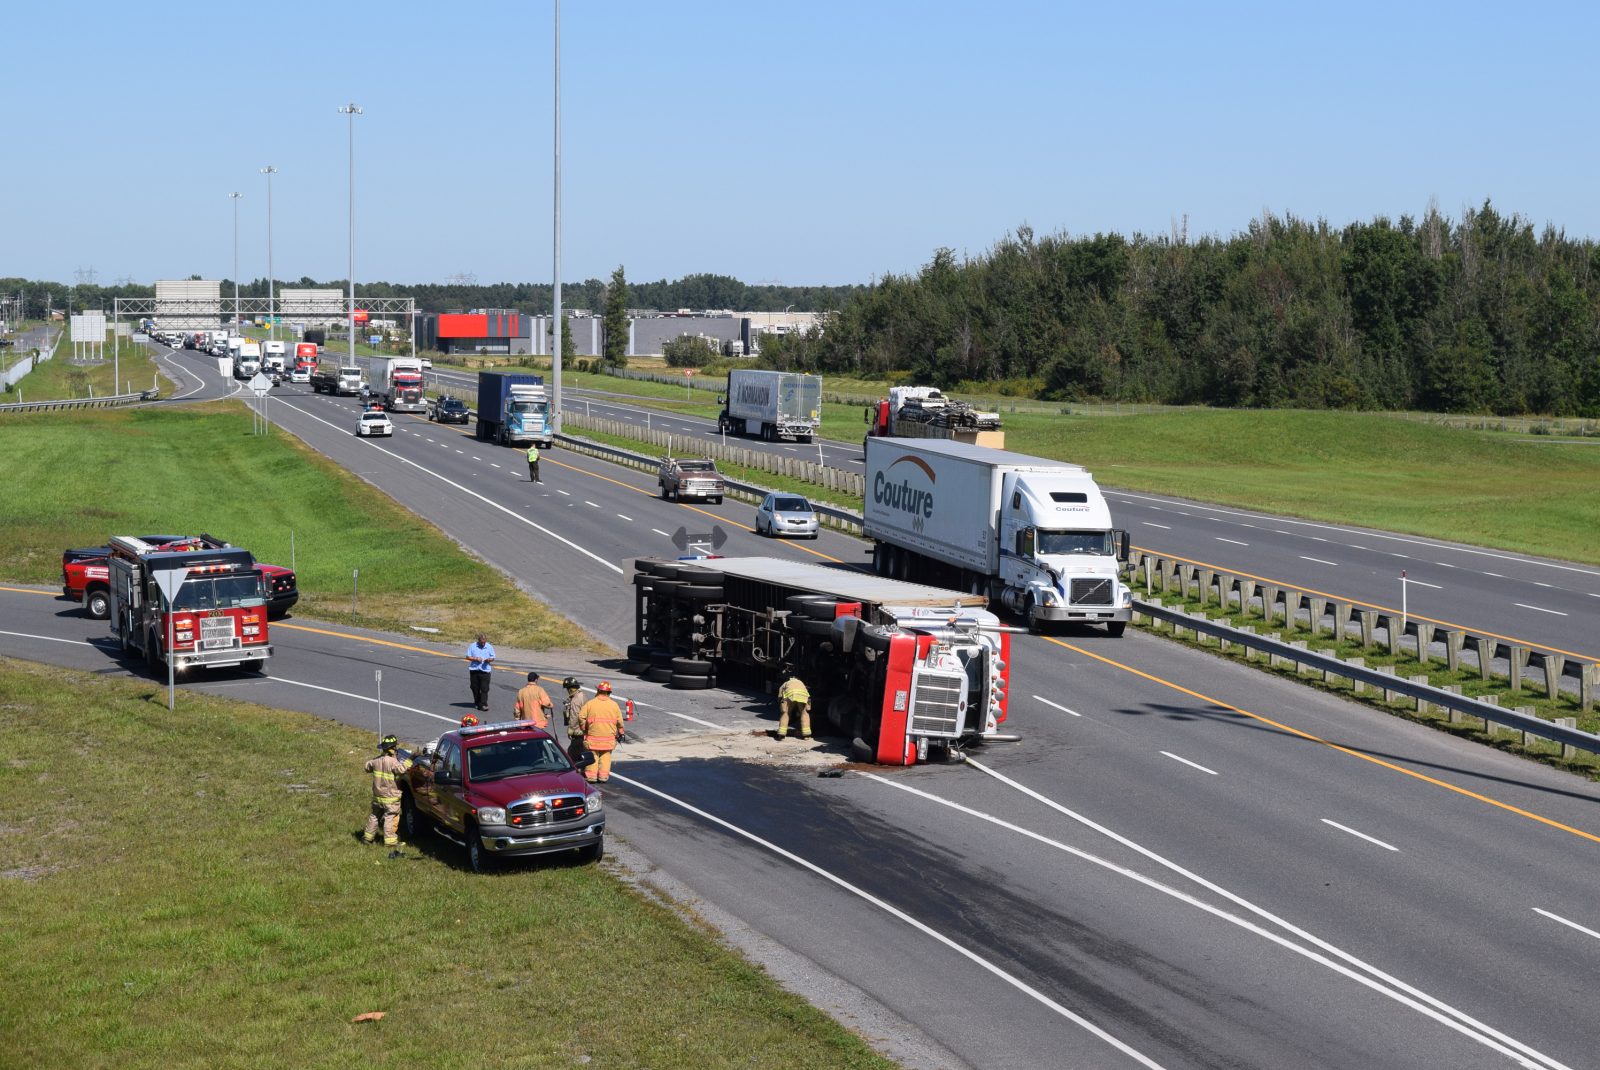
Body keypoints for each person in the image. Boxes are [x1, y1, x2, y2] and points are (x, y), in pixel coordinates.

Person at [362, 734, 414, 846]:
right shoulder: (392, 762)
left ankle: (367, 838)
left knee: (375, 816)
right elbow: (401, 770)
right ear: (392, 749)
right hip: (390, 797)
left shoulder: (376, 761)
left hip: (377, 796)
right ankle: (390, 841)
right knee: (390, 816)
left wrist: (375, 761)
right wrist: (410, 760)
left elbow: (367, 767)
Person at [577, 681, 624, 783]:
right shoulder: (614, 705)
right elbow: (620, 721)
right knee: (606, 758)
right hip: (608, 740)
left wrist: (584, 728)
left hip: (593, 739)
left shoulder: (590, 704)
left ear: (598, 691)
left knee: (593, 757)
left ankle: (591, 777)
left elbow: (581, 717)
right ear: (609, 693)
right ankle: (603, 777)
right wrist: (621, 732)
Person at [466, 633, 495, 711]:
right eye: (481, 642)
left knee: (484, 688)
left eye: (484, 642)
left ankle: (484, 704)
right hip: (474, 670)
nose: (483, 643)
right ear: (478, 641)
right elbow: (467, 657)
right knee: (474, 688)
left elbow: (493, 657)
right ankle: (477, 702)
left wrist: (489, 660)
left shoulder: (489, 647)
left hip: (485, 671)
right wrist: (475, 659)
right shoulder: (472, 646)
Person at [776, 675, 811, 740]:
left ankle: (781, 735)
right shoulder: (801, 683)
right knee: (804, 713)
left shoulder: (786, 683)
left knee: (785, 713)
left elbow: (780, 695)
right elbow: (807, 693)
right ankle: (807, 735)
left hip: (790, 696)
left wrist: (780, 702)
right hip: (802, 697)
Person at [561, 677, 586, 762]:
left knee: (572, 753)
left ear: (571, 689)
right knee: (580, 750)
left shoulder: (576, 700)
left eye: (568, 689)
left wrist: (571, 729)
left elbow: (575, 715)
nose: (567, 691)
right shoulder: (581, 695)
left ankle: (577, 770)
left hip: (578, 731)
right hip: (583, 729)